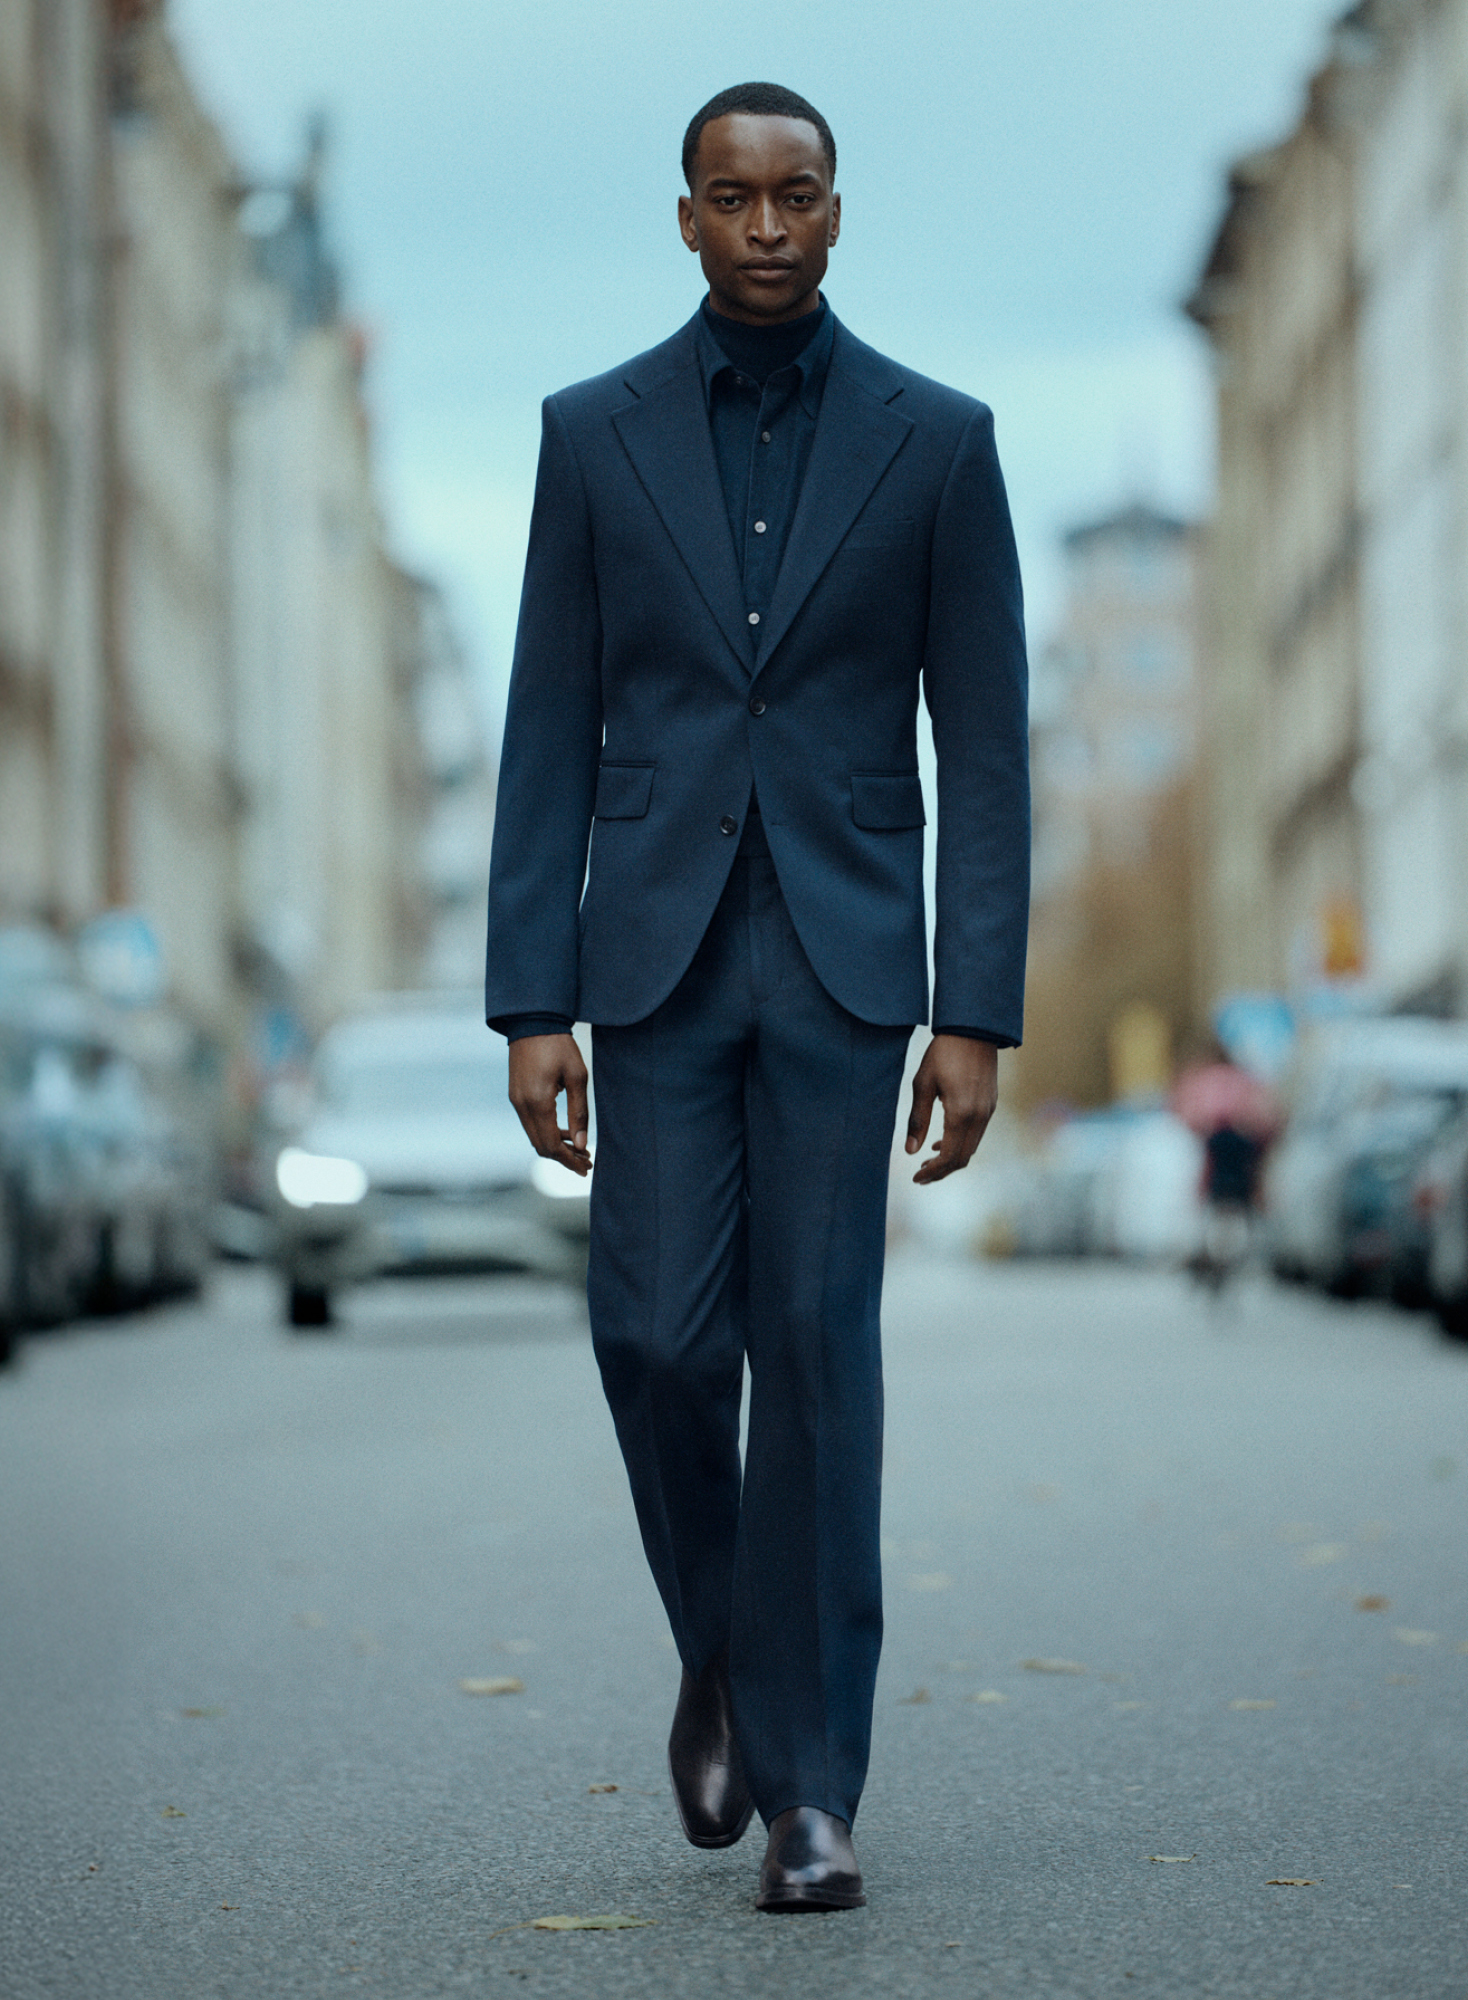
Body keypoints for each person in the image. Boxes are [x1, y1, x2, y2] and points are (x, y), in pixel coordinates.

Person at [486, 81, 1029, 1912]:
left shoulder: (940, 444)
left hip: (847, 956)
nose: (769, 225)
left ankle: (813, 1786)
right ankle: (719, 1646)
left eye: (798, 195)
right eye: (735, 198)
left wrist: (979, 1009)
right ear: (689, 219)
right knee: (650, 1334)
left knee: (813, 1351)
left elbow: (992, 745)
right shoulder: (592, 434)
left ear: (840, 212)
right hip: (646, 952)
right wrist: (528, 998)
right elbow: (548, 723)